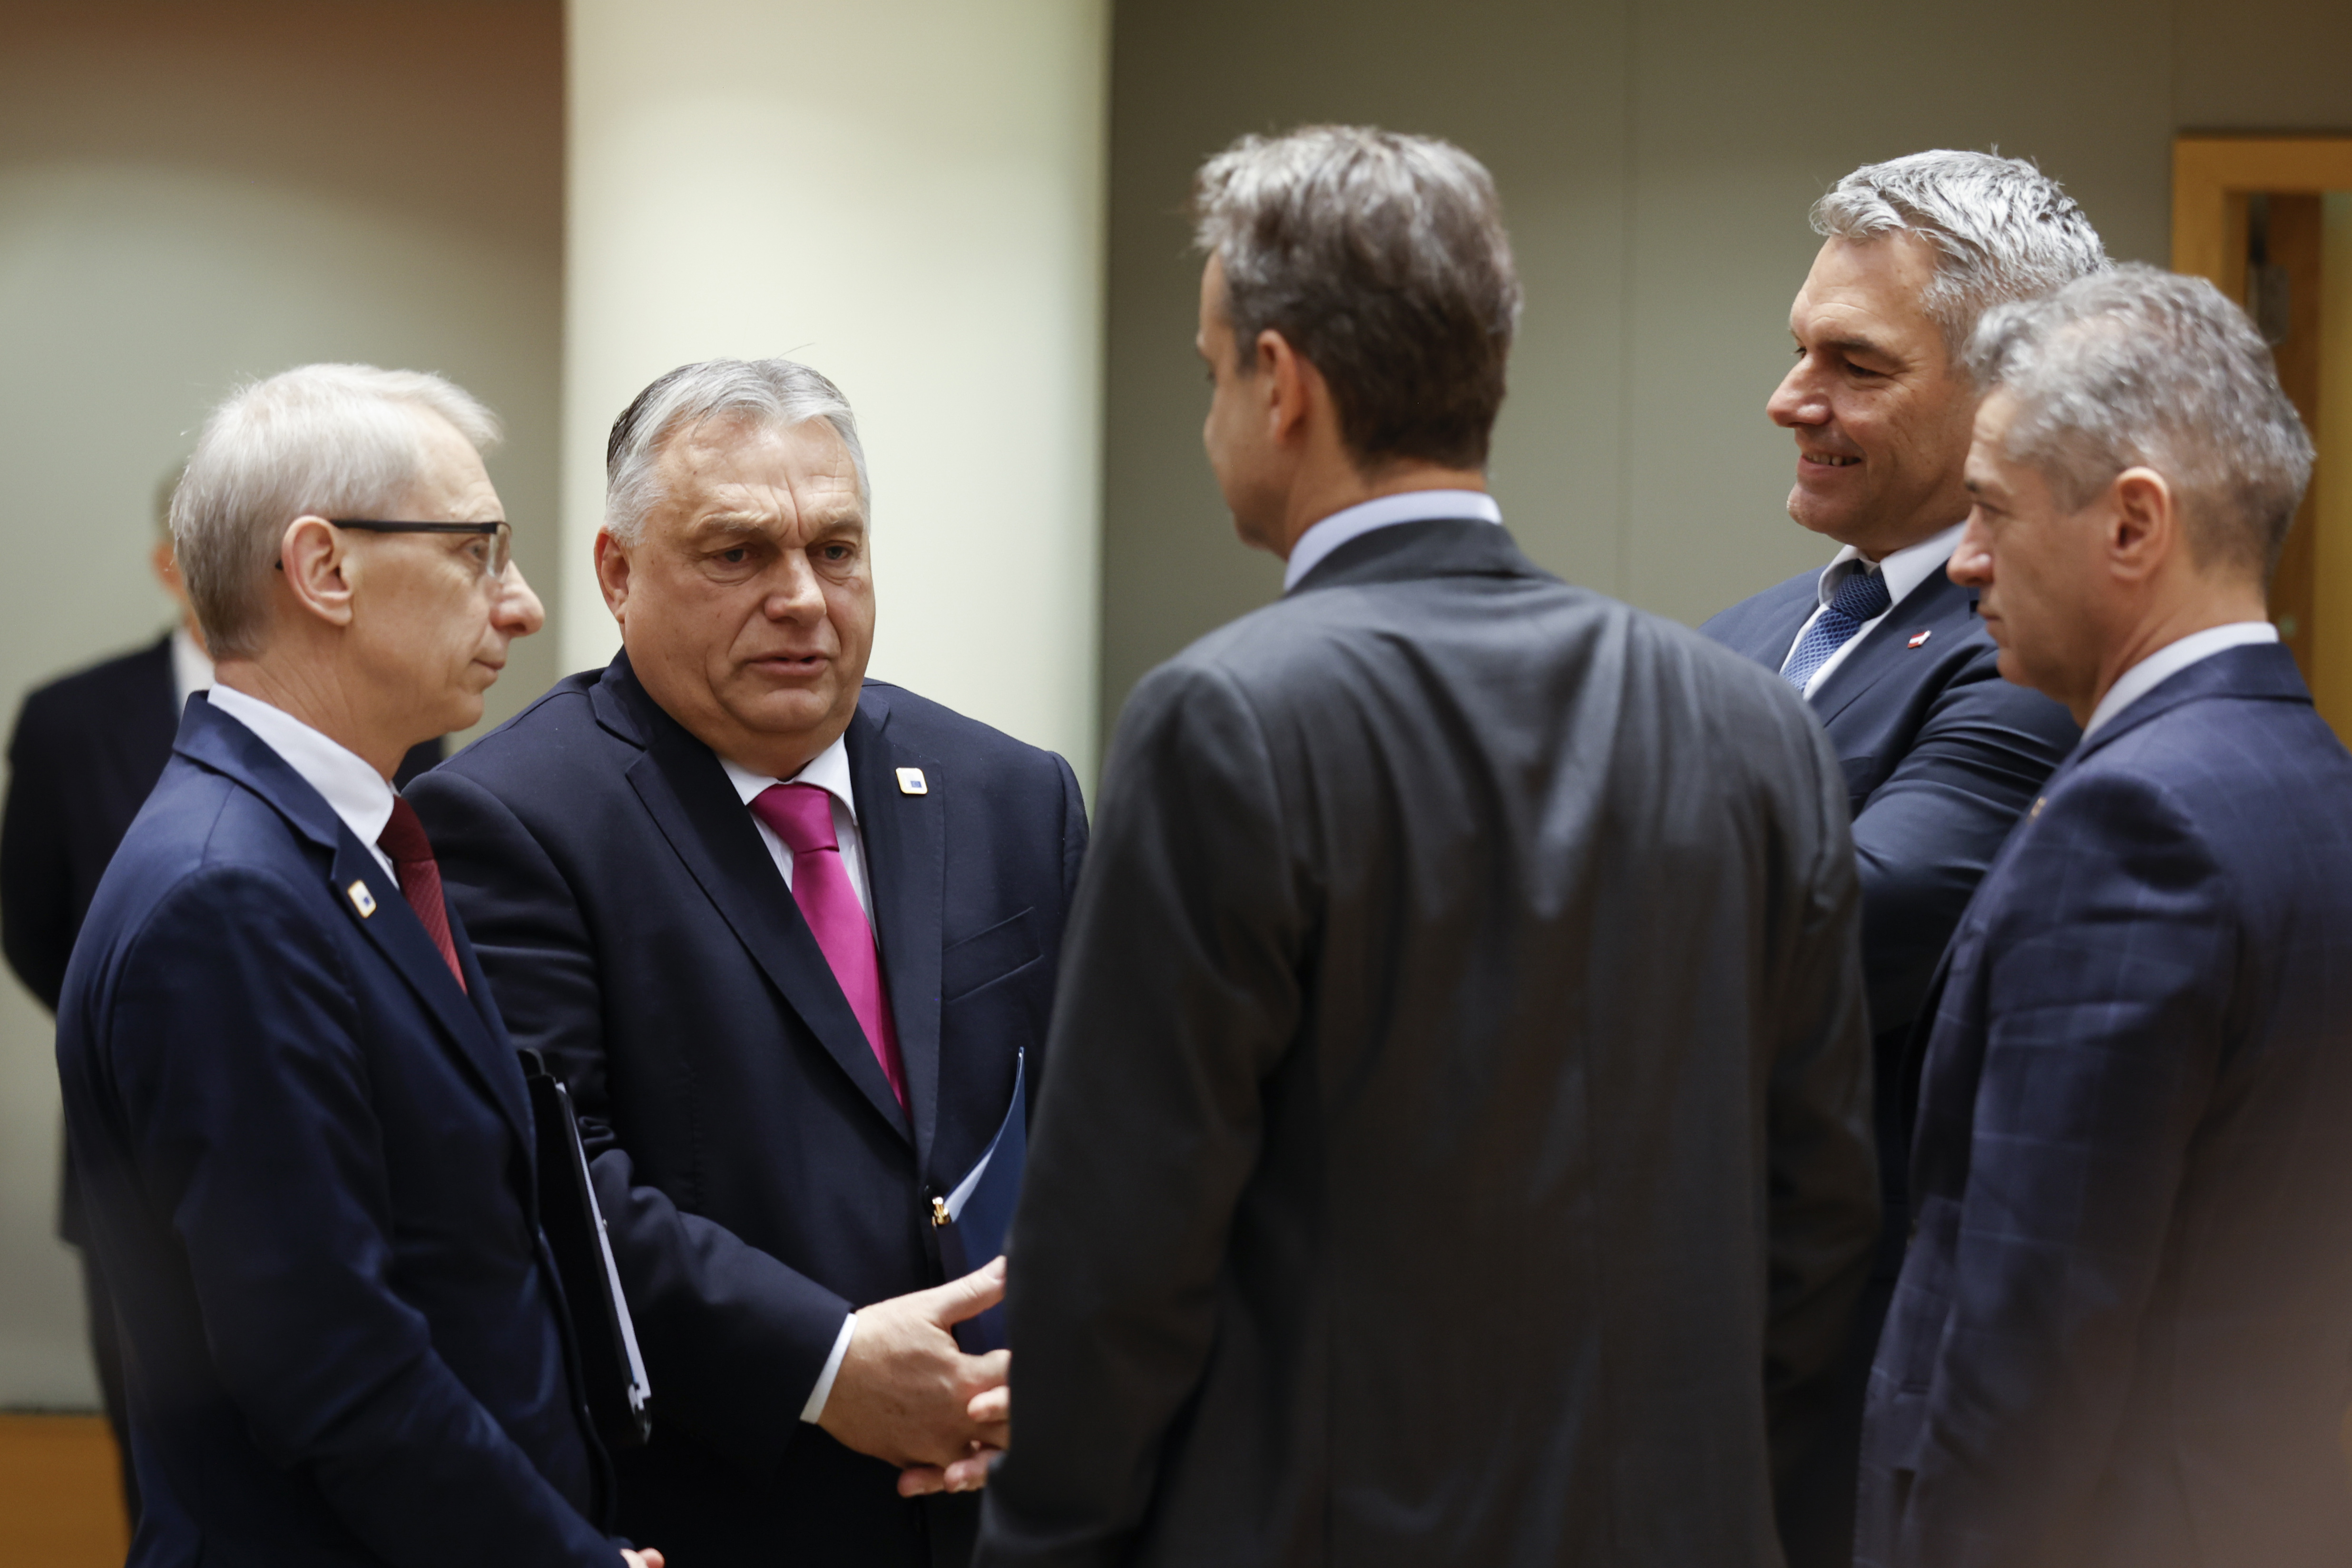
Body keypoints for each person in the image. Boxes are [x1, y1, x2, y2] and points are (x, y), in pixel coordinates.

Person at [974, 125, 1878, 1567]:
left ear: (1283, 385)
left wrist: (1046, 1542)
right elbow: (1822, 1213)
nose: (1212, 412)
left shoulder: (1227, 723)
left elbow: (1123, 1257)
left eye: (1212, 373)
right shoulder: (1749, 725)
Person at [407, 358, 1088, 1567]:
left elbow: (1107, 1125)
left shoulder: (1013, 794)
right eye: (737, 554)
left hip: (1011, 1498)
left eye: (837, 549)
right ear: (618, 575)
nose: (802, 599)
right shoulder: (506, 821)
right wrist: (827, 1365)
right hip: (731, 1505)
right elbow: (557, 1187)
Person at [53, 363, 658, 1567]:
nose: (524, 604)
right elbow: (332, 1366)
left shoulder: (336, 845)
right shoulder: (227, 893)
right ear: (326, 569)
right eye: (478, 551)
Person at [1858, 266, 2352, 1567]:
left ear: (2134, 527)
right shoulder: (2314, 785)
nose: (1965, 560)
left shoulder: (2133, 830)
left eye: (1989, 510)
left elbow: (2031, 1336)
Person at [1696, 150, 2100, 1565]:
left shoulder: (2033, 661)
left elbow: (1833, 938)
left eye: (1853, 365)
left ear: (2011, 398)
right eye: (1799, 349)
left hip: (1845, 1389)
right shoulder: (1746, 635)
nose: (1790, 399)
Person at [2, 482, 441, 1525]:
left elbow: (421, 907)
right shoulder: (70, 717)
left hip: (348, 1139)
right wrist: (152, 1022)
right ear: (173, 566)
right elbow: (29, 919)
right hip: (135, 1158)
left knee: (341, 1438)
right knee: (168, 1467)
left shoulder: (399, 722)